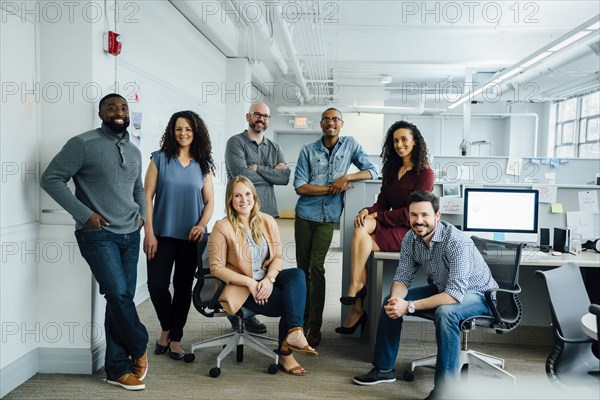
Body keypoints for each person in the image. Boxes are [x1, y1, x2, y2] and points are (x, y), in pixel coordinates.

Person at [40, 93, 148, 391]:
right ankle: (139, 345)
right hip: (98, 235)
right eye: (112, 107)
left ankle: (116, 368)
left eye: (124, 107)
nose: (119, 112)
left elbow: (137, 188)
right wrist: (85, 215)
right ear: (100, 113)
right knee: (119, 295)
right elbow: (51, 178)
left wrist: (142, 217)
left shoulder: (134, 150)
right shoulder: (82, 144)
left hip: (130, 233)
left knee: (117, 299)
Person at [352, 191, 499, 400]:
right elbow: (402, 277)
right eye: (413, 215)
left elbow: (454, 295)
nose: (418, 221)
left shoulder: (456, 242)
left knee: (446, 313)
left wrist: (409, 306)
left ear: (437, 216)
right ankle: (384, 369)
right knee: (390, 301)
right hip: (444, 289)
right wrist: (397, 301)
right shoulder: (411, 238)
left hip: (480, 296)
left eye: (425, 215)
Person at [209, 176, 317, 375]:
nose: (244, 200)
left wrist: (269, 280)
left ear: (254, 196)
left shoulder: (267, 221)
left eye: (247, 194)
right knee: (290, 301)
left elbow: (277, 257)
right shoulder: (222, 227)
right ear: (230, 200)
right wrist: (251, 283)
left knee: (297, 275)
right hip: (240, 286)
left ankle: (294, 333)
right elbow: (216, 268)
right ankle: (286, 352)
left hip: (265, 279)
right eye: (237, 195)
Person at [336, 121, 434, 334]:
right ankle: (356, 289)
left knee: (362, 242)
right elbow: (382, 202)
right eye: (395, 140)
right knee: (361, 228)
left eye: (404, 139)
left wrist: (378, 215)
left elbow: (412, 213)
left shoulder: (425, 174)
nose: (399, 144)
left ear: (415, 141)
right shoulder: (392, 169)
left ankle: (357, 302)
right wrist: (366, 211)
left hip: (409, 231)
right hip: (389, 223)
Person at [294, 108, 378, 347]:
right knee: (302, 270)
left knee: (316, 267)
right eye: (326, 119)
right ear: (321, 124)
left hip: (327, 218)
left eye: (335, 119)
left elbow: (373, 170)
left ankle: (314, 327)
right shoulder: (308, 150)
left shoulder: (350, 145)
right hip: (304, 215)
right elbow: (300, 186)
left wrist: (347, 178)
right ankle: (300, 320)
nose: (331, 123)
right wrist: (333, 187)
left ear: (341, 124)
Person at [143, 110, 215, 360]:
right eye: (178, 129)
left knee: (183, 288)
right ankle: (166, 327)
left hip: (191, 239)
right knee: (157, 285)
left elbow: (209, 202)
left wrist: (202, 224)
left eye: (188, 129)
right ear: (172, 132)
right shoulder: (159, 159)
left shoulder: (202, 164)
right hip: (161, 235)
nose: (183, 133)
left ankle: (175, 338)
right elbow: (147, 198)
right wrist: (148, 232)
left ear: (196, 133)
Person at [224, 102, 290, 333]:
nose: (261, 119)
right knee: (242, 264)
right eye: (257, 115)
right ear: (248, 116)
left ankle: (253, 310)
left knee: (264, 264)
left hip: (267, 214)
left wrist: (258, 168)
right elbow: (240, 175)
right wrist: (271, 171)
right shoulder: (236, 142)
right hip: (240, 215)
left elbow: (284, 178)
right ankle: (238, 312)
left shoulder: (274, 146)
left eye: (266, 116)